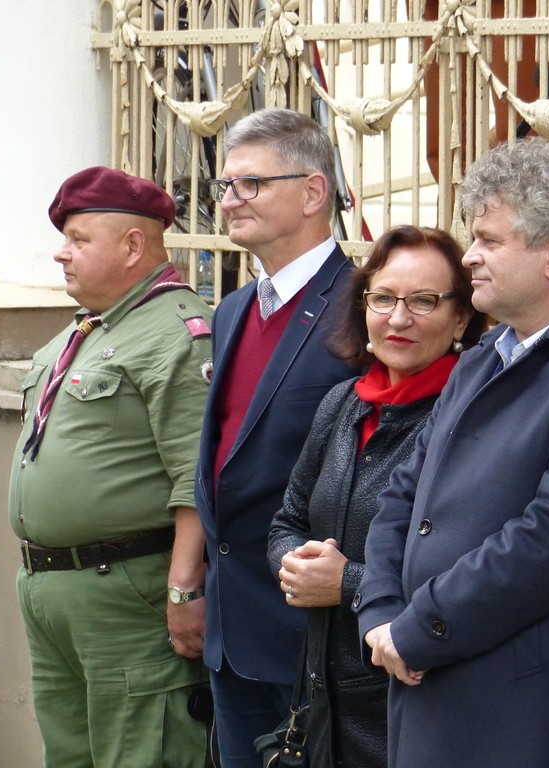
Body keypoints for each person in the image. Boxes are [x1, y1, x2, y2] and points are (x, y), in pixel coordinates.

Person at [353, 137, 549, 768]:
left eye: (489, 240)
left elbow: (548, 544)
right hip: (427, 693)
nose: (469, 256)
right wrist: (381, 613)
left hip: (527, 722)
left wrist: (418, 629)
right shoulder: (480, 361)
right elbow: (403, 497)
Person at [10, 166, 213, 765]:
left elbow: (195, 475)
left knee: (141, 752)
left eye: (78, 239)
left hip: (125, 593)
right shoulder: (90, 328)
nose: (61, 253)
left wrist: (182, 589)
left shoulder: (174, 331)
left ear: (132, 246)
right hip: (55, 590)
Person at [266, 225, 484, 767]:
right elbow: (287, 520)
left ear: (461, 317)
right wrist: (296, 565)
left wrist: (346, 583)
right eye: (383, 298)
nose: (398, 318)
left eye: (424, 301)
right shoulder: (343, 403)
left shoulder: (472, 418)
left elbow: (471, 573)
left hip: (413, 702)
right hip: (323, 706)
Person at [196, 108, 359, 766]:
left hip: (314, 635)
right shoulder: (233, 309)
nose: (229, 201)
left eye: (251, 184)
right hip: (230, 632)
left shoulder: (363, 307)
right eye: (225, 186)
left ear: (313, 192)